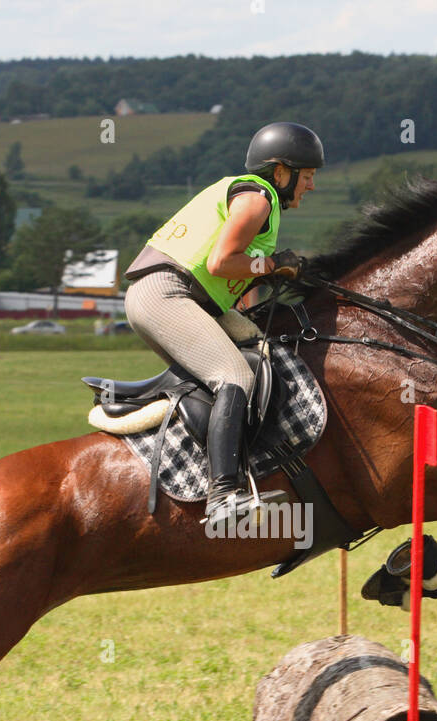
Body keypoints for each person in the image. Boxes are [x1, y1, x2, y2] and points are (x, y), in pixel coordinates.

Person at [122, 122, 323, 527]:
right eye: (309, 175)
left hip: (185, 296)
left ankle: (227, 464)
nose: (312, 186)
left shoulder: (249, 194)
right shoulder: (259, 197)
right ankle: (223, 495)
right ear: (281, 172)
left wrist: (269, 272)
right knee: (233, 374)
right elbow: (219, 262)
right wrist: (269, 265)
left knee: (259, 345)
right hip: (169, 293)